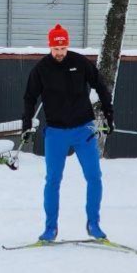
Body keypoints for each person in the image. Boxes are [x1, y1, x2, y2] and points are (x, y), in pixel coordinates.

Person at [21, 23, 114, 242]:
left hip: (84, 129)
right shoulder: (41, 69)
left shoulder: (80, 63)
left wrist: (109, 114)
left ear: (67, 46)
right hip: (56, 132)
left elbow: (100, 85)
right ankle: (50, 228)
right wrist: (26, 124)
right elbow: (29, 97)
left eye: (63, 49)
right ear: (50, 46)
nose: (60, 53)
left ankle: (94, 224)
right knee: (53, 180)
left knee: (94, 177)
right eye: (56, 49)